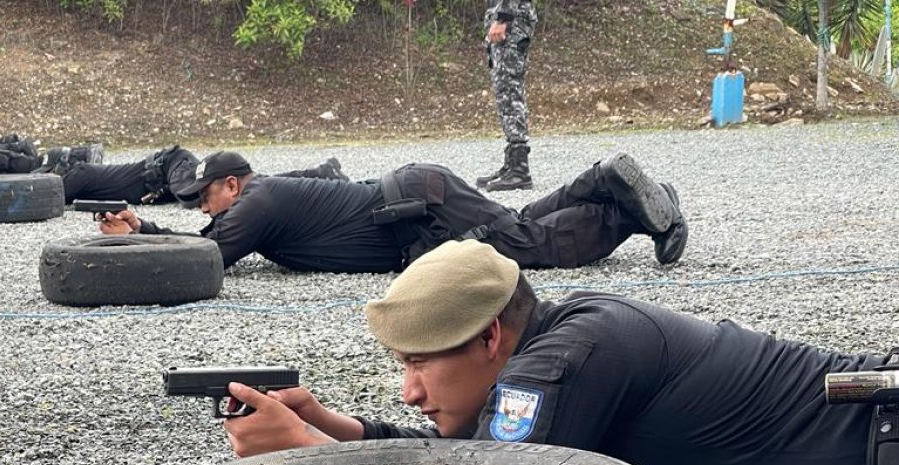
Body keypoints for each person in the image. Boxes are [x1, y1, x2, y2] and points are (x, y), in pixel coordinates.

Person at [222, 239, 881, 465]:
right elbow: (468, 458)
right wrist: (339, 431)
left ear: (488, 339)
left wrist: (309, 456)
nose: (409, 389)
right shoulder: (554, 349)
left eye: (420, 362)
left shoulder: (572, 356)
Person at [97, 150, 688, 272]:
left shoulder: (258, 202)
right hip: (415, 199)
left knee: (531, 246)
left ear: (231, 185)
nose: (207, 210)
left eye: (206, 199)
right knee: (516, 226)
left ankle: (632, 213)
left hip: (417, 209)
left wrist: (144, 236)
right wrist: (144, 227)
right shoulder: (264, 195)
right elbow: (211, 237)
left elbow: (209, 255)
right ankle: (603, 182)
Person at [47, 144, 348, 207]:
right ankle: (319, 174)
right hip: (166, 172)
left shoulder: (79, 174)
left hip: (169, 166)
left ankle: (320, 174)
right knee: (243, 185)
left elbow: (52, 194)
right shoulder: (83, 174)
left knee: (204, 194)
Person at [476, 0, 537, 192]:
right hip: (510, 20)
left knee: (510, 92)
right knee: (505, 92)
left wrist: (503, 18)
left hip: (512, 23)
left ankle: (520, 169)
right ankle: (512, 164)